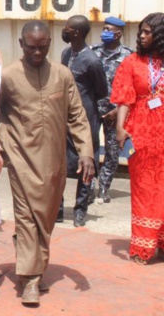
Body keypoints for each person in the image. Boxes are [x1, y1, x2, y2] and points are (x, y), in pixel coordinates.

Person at [0, 21, 94, 305]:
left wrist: (86, 152)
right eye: (31, 47)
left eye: (43, 47)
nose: (37, 53)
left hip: (54, 161)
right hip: (20, 157)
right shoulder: (7, 76)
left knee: (46, 218)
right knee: (27, 217)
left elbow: (77, 115)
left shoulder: (63, 75)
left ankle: (33, 264)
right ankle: (30, 279)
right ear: (21, 44)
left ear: (50, 44)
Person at [112, 12, 164, 265]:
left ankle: (161, 241)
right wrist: (120, 128)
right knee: (144, 188)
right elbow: (124, 98)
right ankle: (142, 247)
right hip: (141, 134)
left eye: (147, 32)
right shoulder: (132, 62)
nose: (141, 36)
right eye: (141, 32)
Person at [59, 15, 108, 227]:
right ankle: (58, 209)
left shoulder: (92, 61)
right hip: (63, 117)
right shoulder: (66, 53)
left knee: (86, 161)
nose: (64, 30)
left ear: (77, 33)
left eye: (67, 28)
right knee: (59, 164)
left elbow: (101, 91)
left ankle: (80, 210)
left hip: (86, 119)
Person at [91, 16, 133, 203]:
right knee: (90, 149)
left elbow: (132, 87)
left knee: (112, 151)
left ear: (118, 34)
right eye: (104, 28)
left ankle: (104, 187)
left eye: (109, 29)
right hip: (93, 109)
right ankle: (89, 186)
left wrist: (118, 111)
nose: (104, 32)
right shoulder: (93, 52)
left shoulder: (129, 56)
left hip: (115, 112)